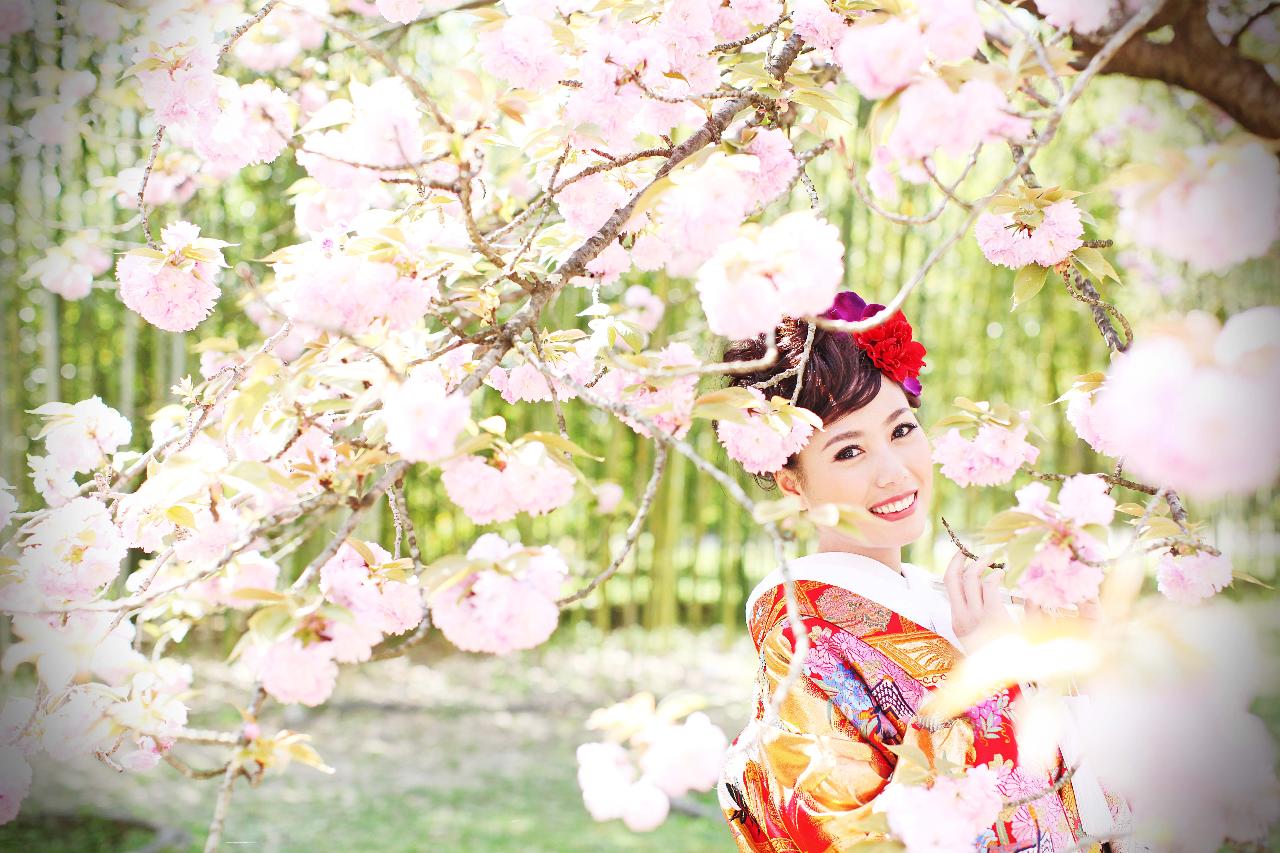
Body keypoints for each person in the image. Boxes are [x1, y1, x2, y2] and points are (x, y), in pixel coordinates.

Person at [715, 290, 1135, 852]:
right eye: (847, 452)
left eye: (901, 429)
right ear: (792, 483)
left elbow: (1085, 791)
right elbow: (849, 837)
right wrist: (988, 673)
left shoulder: (940, 600)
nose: (893, 472)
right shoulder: (804, 632)